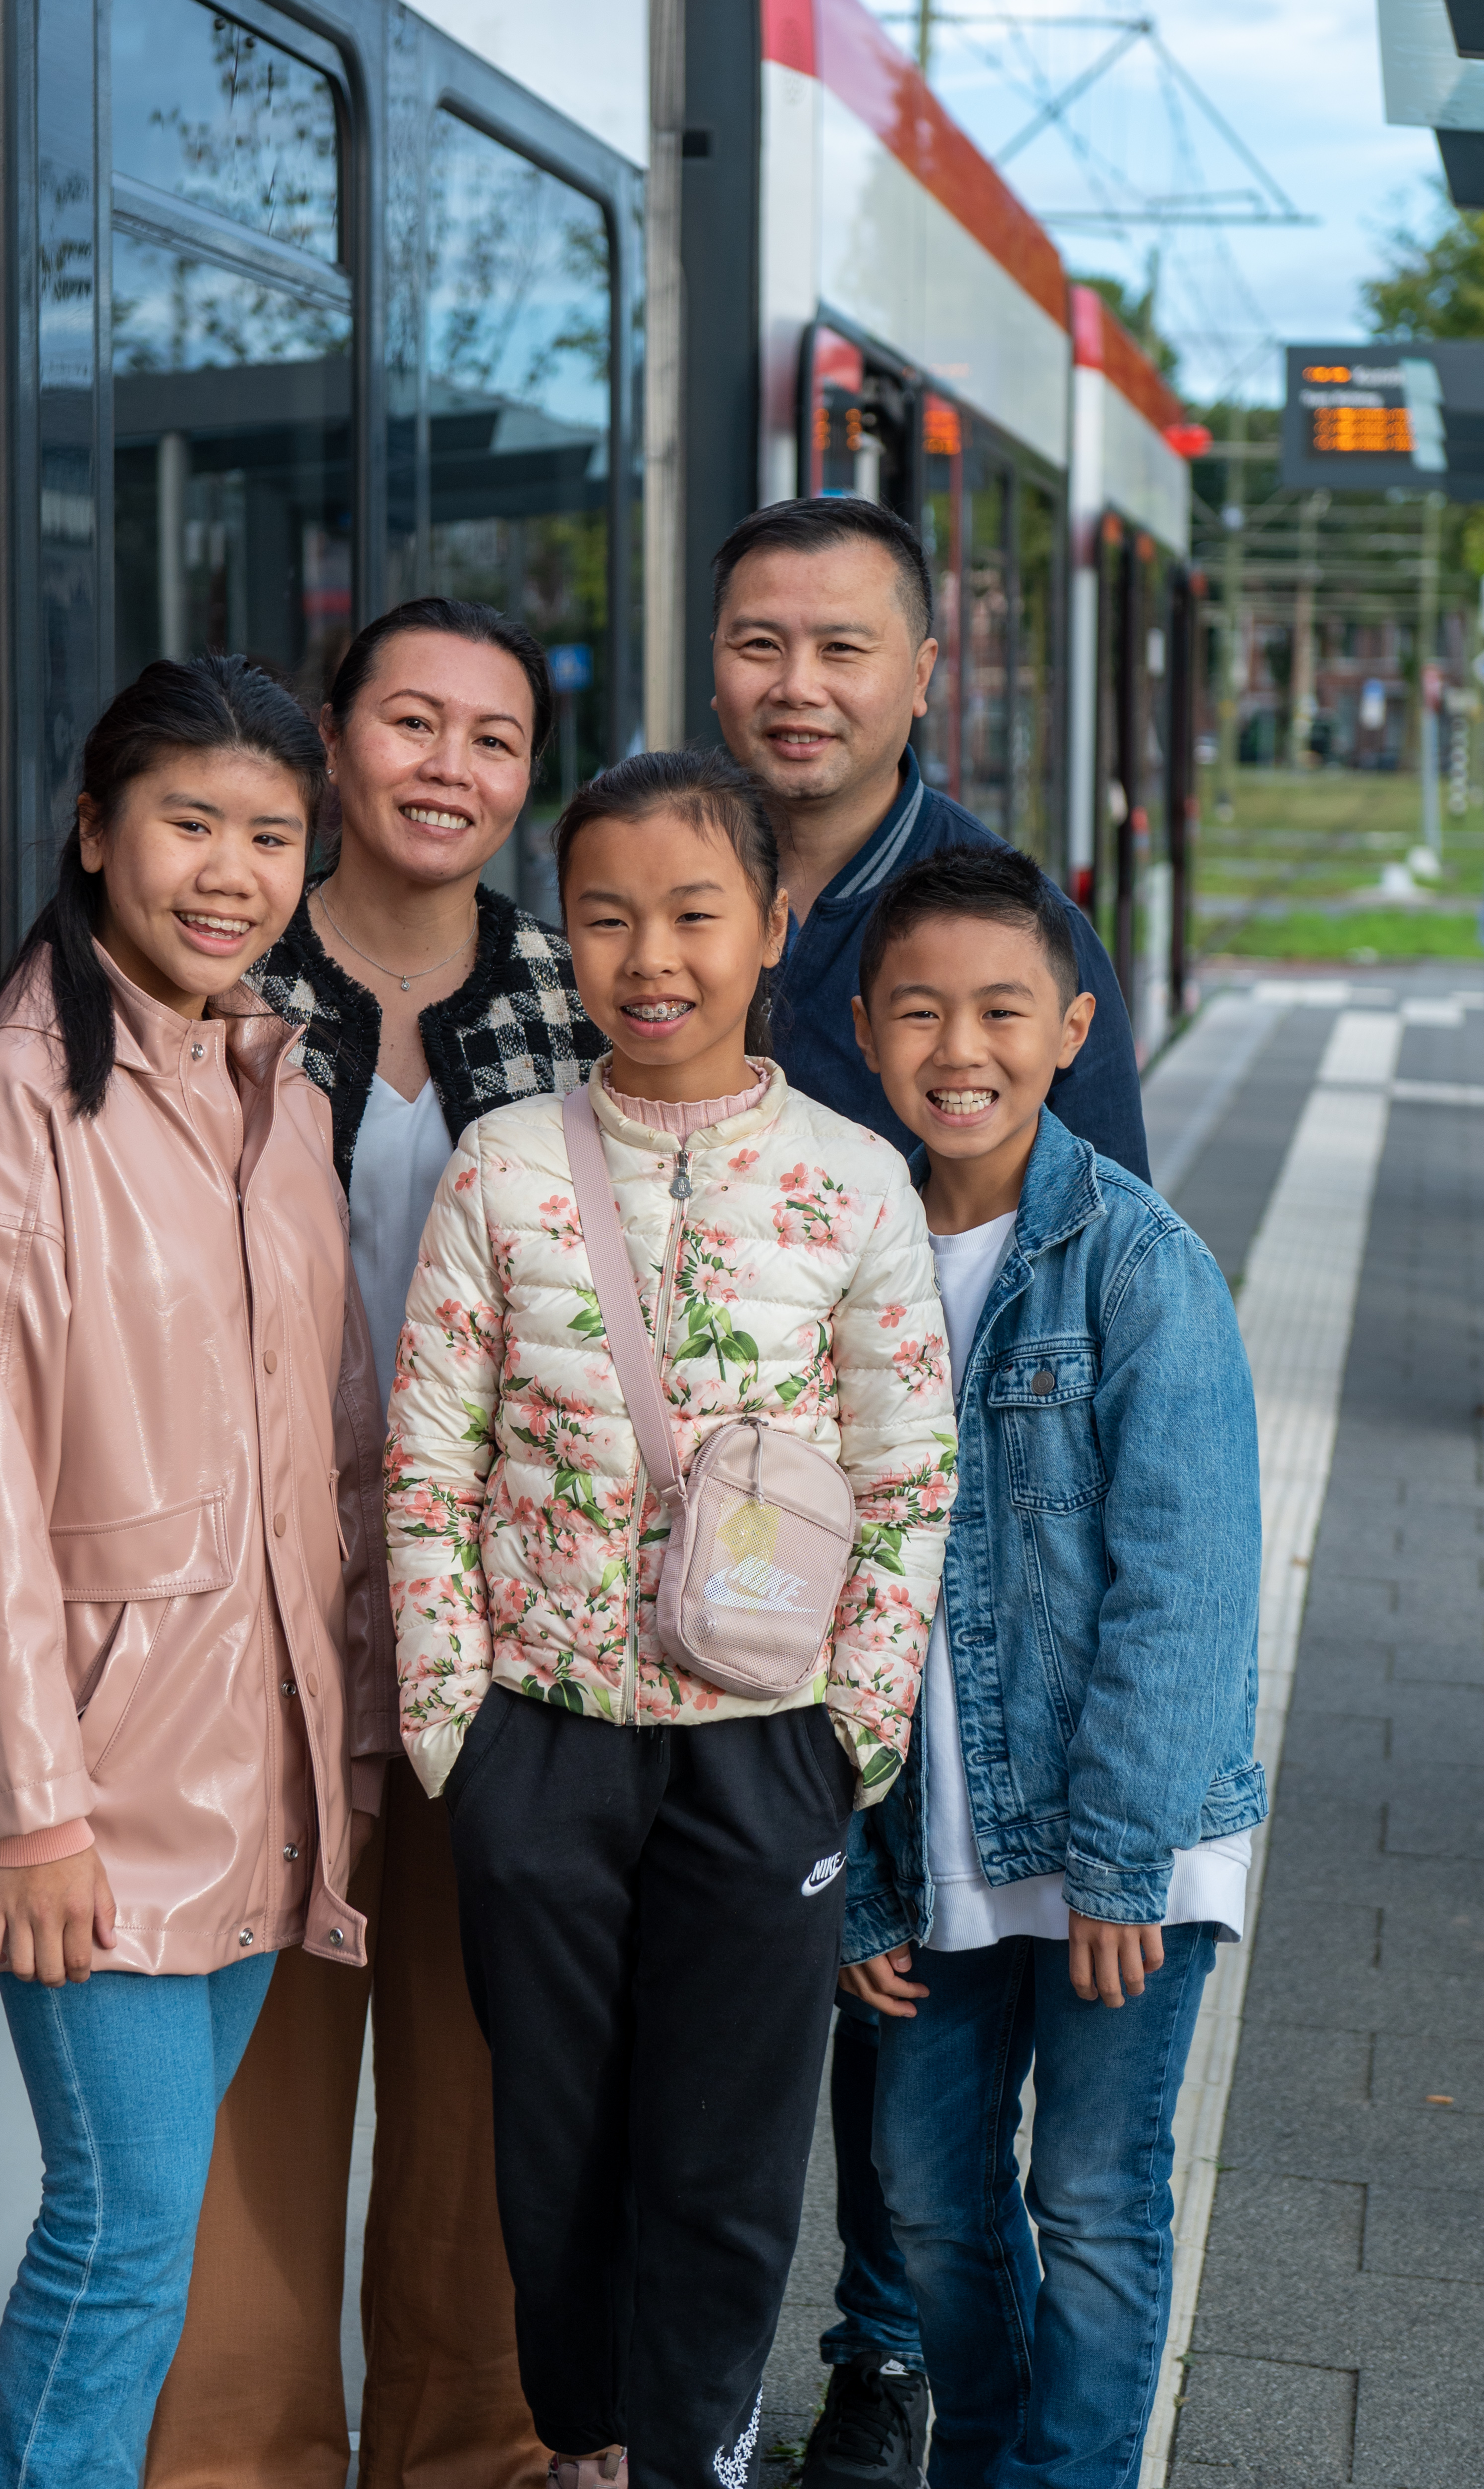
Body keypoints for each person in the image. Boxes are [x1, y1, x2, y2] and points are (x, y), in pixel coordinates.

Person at [385, 747, 956, 2489]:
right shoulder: (501, 1164)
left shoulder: (854, 1177)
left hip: (764, 1752)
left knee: (726, 2151)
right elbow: (428, 1458)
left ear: (771, 927)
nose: (651, 959)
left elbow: (908, 1476)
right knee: (553, 2137)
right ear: (565, 936)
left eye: (694, 915)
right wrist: (457, 1731)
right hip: (538, 1748)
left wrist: (846, 1739)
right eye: (607, 917)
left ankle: (695, 2448)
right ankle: (584, 2442)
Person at [0, 656, 394, 2487]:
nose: (232, 874)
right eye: (190, 825)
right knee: (120, 2236)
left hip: (260, 1767)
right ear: (95, 833)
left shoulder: (277, 1087)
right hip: (98, 1794)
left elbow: (328, 1444)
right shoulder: (2, 1115)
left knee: (134, 2237)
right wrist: (33, 1820)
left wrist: (354, 1740)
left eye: (272, 836)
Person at [707, 494, 1151, 2488]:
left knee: (900, 1982)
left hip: (922, 1549)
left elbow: (1086, 1247)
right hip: (678, 1548)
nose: (796, 686)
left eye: (841, 646)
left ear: (921, 672)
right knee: (731, 1969)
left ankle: (880, 2354)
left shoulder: (996, 918)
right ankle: (686, 2368)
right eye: (759, 643)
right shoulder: (669, 863)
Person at [149, 598, 605, 2489]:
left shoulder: (580, 991)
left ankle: (469, 2453)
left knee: (485, 2075)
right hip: (256, 1634)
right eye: (412, 723)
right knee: (252, 2077)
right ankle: (236, 2459)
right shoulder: (214, 974)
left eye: (494, 739)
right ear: (331, 743)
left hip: (506, 1638)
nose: (450, 768)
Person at [841, 844, 1264, 2489]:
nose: (961, 1049)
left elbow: (1186, 1592)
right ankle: (989, 2457)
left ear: (1072, 1028)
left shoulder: (1139, 1267)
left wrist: (1117, 1863)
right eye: (919, 1011)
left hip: (1117, 1846)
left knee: (1089, 2198)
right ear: (865, 1030)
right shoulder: (848, 1252)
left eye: (1002, 1010)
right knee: (925, 2196)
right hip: (929, 1841)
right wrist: (859, 1879)